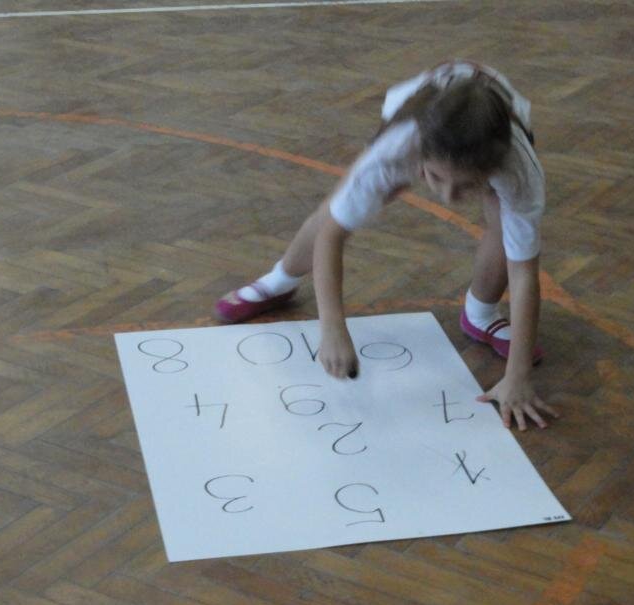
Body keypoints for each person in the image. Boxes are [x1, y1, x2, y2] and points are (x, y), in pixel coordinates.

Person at [215, 60, 559, 431]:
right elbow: (331, 234)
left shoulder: (518, 173)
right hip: (415, 124)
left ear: (492, 172)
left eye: (466, 186)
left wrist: (518, 376)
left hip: (492, 132)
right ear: (420, 158)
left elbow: (524, 273)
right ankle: (278, 281)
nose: (448, 196)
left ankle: (481, 315)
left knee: (503, 227)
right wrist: (332, 328)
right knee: (333, 209)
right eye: (436, 178)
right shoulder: (396, 149)